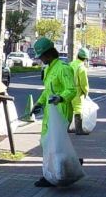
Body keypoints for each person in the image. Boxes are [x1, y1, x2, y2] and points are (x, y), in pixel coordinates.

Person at [34, 38, 86, 186]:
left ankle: (54, 175)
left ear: (49, 54)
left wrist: (60, 98)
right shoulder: (50, 69)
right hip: (51, 112)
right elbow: (47, 91)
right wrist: (39, 103)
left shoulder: (63, 68)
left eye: (42, 56)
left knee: (54, 145)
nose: (41, 59)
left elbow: (71, 90)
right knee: (47, 143)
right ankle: (59, 170)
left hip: (61, 111)